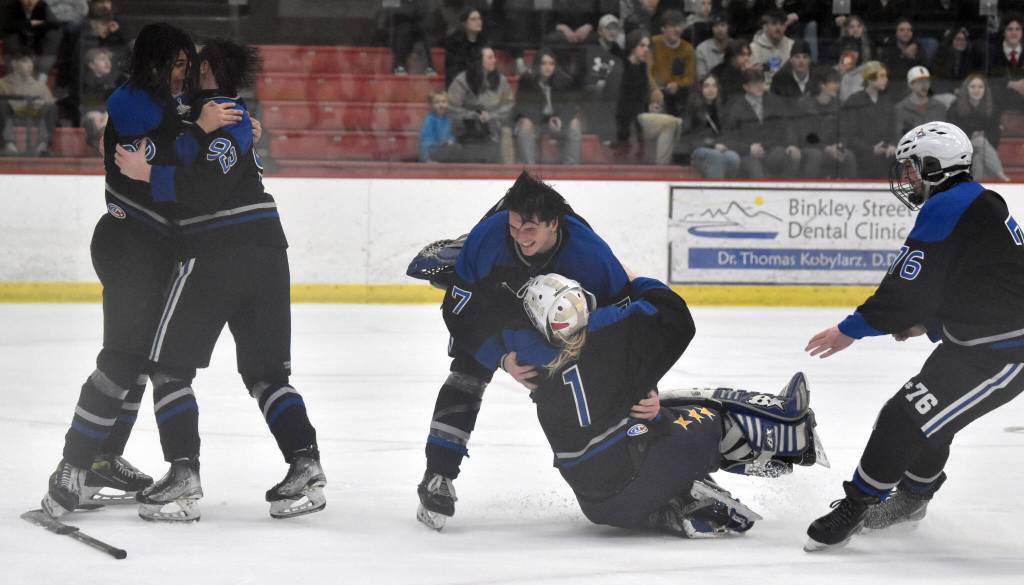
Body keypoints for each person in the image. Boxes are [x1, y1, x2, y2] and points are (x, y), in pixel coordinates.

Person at [114, 37, 325, 523]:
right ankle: (305, 464)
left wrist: (149, 174)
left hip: (215, 250)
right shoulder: (232, 115)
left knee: (167, 366)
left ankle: (183, 473)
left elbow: (204, 189)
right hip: (269, 253)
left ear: (205, 68)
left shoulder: (210, 114)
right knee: (267, 374)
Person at [37, 22, 242, 518]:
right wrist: (201, 129)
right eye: (175, 64)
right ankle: (73, 464)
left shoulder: (173, 106)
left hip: (159, 252)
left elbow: (188, 157)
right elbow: (168, 153)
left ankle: (104, 457)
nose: (183, 74)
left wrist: (237, 128)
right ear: (151, 62)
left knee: (143, 362)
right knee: (121, 358)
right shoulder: (129, 101)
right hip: (127, 242)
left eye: (186, 66)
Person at [804, 121, 1024, 551]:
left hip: (1005, 354)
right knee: (930, 419)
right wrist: (930, 323)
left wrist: (851, 329)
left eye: (911, 168)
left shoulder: (951, 204)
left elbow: (909, 287)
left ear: (934, 166)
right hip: (976, 344)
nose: (907, 178)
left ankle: (858, 506)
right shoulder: (975, 201)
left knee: (903, 416)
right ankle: (913, 498)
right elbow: (976, 282)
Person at [495, 273, 825, 536]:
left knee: (652, 417)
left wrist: (501, 360)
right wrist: (636, 280)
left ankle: (674, 505)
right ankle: (788, 435)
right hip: (640, 475)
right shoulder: (610, 340)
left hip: (599, 506)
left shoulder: (539, 377)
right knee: (700, 408)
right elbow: (678, 318)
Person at [413, 172, 633, 531]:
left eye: (529, 229)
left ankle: (625, 466)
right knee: (467, 372)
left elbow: (626, 319)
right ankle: (438, 475)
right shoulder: (489, 237)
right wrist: (500, 357)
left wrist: (628, 380)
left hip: (557, 315)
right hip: (494, 303)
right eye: (514, 226)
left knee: (573, 385)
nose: (519, 237)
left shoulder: (590, 254)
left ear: (554, 224)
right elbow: (458, 312)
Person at [615, 30, 683, 165]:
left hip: (640, 117)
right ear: (632, 47)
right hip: (629, 121)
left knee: (676, 123)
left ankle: (662, 164)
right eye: (642, 46)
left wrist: (650, 107)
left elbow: (641, 98)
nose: (646, 50)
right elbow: (621, 104)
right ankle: (662, 167)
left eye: (647, 46)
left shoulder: (642, 67)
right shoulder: (623, 68)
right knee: (672, 123)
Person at [723, 68, 800, 179]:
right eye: (754, 83)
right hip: (748, 153)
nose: (759, 86)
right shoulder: (736, 107)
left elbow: (787, 125)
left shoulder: (773, 100)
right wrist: (748, 148)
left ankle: (784, 194)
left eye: (761, 82)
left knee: (791, 155)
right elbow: (730, 137)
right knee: (755, 169)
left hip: (772, 148)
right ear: (745, 87)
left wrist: (791, 144)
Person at [447, 46, 515, 164]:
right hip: (468, 125)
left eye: (494, 57)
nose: (494, 60)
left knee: (506, 132)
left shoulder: (501, 80)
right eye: (490, 57)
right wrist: (474, 115)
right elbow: (452, 107)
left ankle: (507, 174)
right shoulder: (462, 80)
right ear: (479, 61)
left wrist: (491, 115)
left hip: (495, 124)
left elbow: (509, 105)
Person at [513, 48, 581, 165]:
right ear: (537, 65)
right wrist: (542, 119)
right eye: (543, 63)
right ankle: (529, 168)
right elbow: (522, 106)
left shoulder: (563, 81)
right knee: (525, 125)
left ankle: (571, 168)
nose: (548, 67)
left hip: (557, 124)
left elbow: (571, 106)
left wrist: (560, 119)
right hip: (535, 122)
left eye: (551, 63)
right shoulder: (527, 80)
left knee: (575, 124)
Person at [795, 67, 857, 179]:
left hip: (833, 148)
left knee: (848, 155)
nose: (837, 86)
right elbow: (805, 135)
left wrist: (840, 145)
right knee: (815, 155)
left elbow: (845, 132)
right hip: (810, 148)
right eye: (833, 82)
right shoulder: (804, 104)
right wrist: (825, 148)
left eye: (838, 82)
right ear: (822, 85)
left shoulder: (840, 105)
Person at [947, 74, 1010, 182]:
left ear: (985, 89)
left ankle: (977, 187)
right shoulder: (955, 108)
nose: (977, 90)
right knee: (980, 141)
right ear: (966, 89)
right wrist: (973, 135)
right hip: (962, 151)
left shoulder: (993, 109)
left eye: (980, 87)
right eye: (973, 87)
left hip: (984, 150)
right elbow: (954, 133)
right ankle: (1001, 175)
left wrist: (983, 136)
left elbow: (995, 133)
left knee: (978, 159)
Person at [840, 61, 895, 179]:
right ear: (870, 79)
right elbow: (849, 135)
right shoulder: (854, 101)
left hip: (884, 151)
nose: (886, 80)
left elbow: (893, 128)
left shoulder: (887, 100)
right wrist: (871, 150)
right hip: (862, 153)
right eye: (882, 76)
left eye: (886, 76)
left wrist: (891, 144)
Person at [680, 74, 740, 179]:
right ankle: (716, 191)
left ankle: (728, 190)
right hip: (698, 149)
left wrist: (725, 144)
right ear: (700, 89)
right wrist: (713, 145)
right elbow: (687, 137)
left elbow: (730, 132)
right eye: (706, 86)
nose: (711, 89)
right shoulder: (691, 109)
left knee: (733, 157)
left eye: (714, 86)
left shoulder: (723, 109)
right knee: (716, 156)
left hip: (719, 148)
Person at [0, 50, 56, 156]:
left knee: (51, 107)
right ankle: (9, 144)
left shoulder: (40, 85)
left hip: (35, 118)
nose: (30, 65)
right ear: (14, 63)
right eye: (25, 61)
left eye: (31, 62)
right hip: (12, 118)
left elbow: (49, 101)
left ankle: (43, 145)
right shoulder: (2, 84)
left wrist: (44, 103)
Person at [647, 9, 696, 117]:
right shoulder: (653, 43)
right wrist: (654, 88)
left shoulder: (688, 49)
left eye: (679, 26)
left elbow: (690, 77)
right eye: (673, 26)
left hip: (677, 94)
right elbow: (647, 71)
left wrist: (677, 85)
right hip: (654, 91)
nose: (677, 29)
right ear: (663, 29)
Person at [1, 0, 61, 76]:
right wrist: (30, 23)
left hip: (40, 51)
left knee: (53, 35)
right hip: (17, 50)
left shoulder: (43, 6)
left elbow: (54, 26)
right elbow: (6, 26)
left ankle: (40, 77)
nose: (30, 2)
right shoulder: (9, 6)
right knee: (12, 37)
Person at [894, 66, 947, 140]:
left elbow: (944, 134)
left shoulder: (939, 107)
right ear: (910, 85)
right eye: (920, 81)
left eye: (927, 81)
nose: (924, 85)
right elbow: (901, 137)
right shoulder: (900, 109)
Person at [442, 7, 486, 88]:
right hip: (460, 85)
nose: (478, 22)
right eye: (473, 19)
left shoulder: (484, 42)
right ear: (464, 23)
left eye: (479, 18)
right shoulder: (455, 43)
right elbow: (454, 71)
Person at [748, 10, 793, 85]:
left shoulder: (792, 46)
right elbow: (752, 75)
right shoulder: (753, 47)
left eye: (782, 24)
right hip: (762, 89)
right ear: (765, 26)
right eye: (774, 24)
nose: (778, 28)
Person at [695, 13, 730, 81]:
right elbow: (701, 77)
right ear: (712, 29)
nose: (720, 29)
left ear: (728, 27)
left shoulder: (735, 46)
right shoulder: (701, 49)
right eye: (716, 26)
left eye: (723, 25)